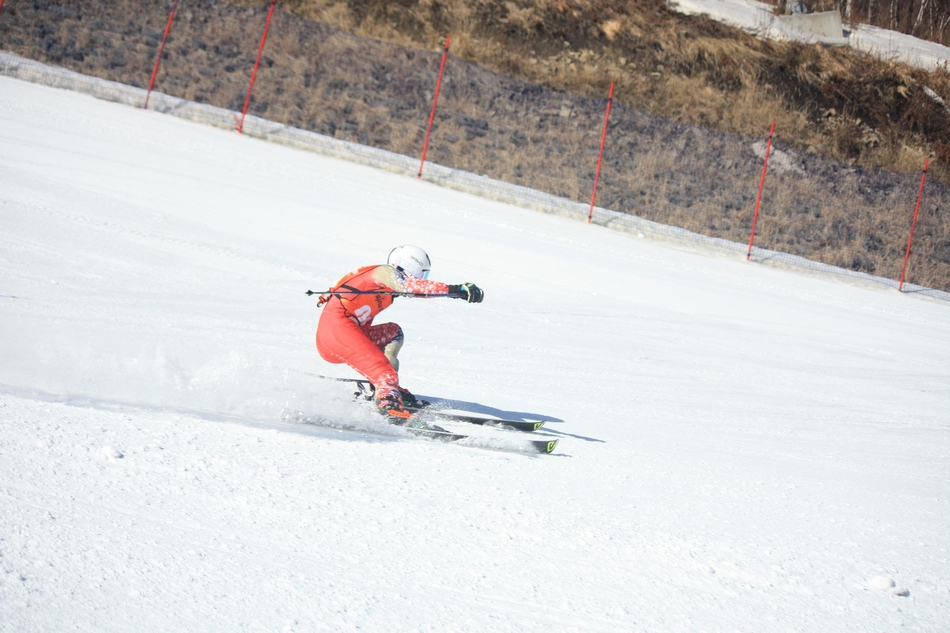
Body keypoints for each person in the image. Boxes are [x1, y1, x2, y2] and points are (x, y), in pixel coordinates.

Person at [315, 245, 484, 421]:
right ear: (409, 266)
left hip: (346, 332)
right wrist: (457, 289)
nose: (421, 278)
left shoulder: (387, 289)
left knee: (393, 332)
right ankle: (387, 402)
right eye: (421, 274)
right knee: (383, 372)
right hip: (336, 331)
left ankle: (386, 388)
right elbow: (409, 286)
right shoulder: (384, 272)